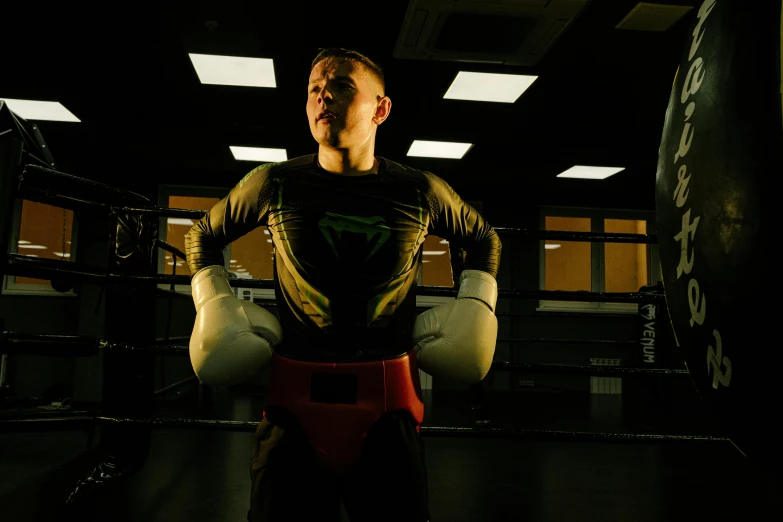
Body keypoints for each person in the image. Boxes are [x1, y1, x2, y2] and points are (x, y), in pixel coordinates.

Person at [184, 47, 502, 522]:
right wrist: (215, 301)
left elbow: (483, 238)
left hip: (388, 410)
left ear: (381, 108)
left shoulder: (419, 190)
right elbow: (202, 235)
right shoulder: (275, 183)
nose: (323, 96)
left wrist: (473, 306)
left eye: (341, 86)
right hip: (293, 410)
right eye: (314, 89)